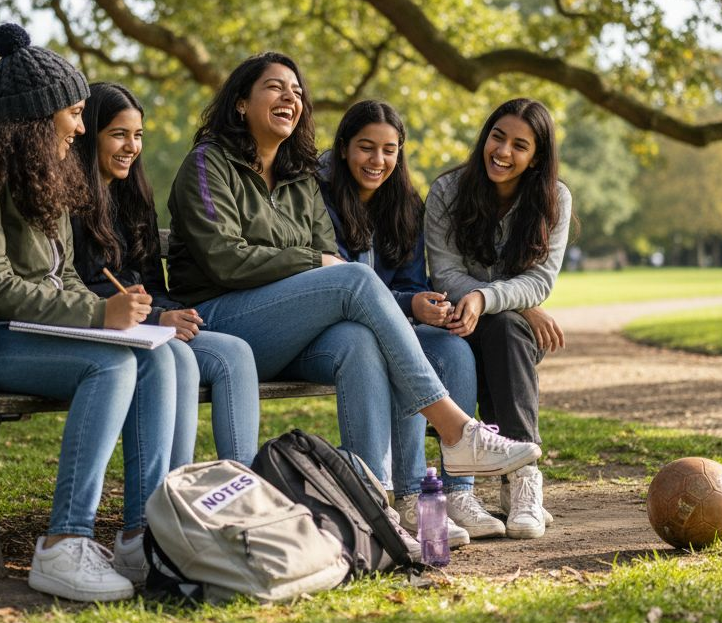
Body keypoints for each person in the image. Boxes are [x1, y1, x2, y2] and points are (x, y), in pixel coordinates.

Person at [165, 52, 542, 506]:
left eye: (297, 91)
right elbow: (227, 261)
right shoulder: (208, 164)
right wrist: (310, 263)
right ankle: (456, 429)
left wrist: (315, 263)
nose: (290, 96)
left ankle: (376, 500)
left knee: (361, 343)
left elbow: (324, 254)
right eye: (275, 87)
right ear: (241, 103)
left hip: (286, 332)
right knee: (356, 279)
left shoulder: (297, 175)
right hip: (216, 318)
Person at [0, 24, 164, 602]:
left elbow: (63, 276)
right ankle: (62, 545)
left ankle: (139, 535)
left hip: (14, 334)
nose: (80, 125)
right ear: (37, 116)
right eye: (73, 112)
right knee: (112, 366)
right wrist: (100, 318)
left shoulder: (43, 175)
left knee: (157, 360)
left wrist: (109, 308)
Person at [69, 81, 261, 582]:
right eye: (118, 135)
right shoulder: (67, 201)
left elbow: (153, 284)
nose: (131, 147)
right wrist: (157, 320)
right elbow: (78, 288)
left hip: (148, 324)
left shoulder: (133, 198)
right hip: (100, 328)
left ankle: (246, 510)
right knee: (174, 356)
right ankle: (156, 525)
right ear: (88, 137)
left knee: (234, 352)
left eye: (137, 135)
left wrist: (172, 314)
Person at [315, 99, 503, 542]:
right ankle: (405, 495)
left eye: (389, 150)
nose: (377, 161)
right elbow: (333, 287)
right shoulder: (318, 199)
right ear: (343, 149)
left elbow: (412, 281)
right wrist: (407, 306)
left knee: (452, 347)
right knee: (388, 341)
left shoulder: (403, 205)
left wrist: (424, 303)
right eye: (366, 147)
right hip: (336, 331)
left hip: (395, 323)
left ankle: (457, 493)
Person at [425, 98, 576, 540]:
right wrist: (506, 299)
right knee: (494, 329)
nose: (503, 152)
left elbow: (541, 280)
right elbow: (444, 272)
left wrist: (487, 297)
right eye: (497, 137)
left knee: (506, 328)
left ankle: (524, 480)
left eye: (519, 145)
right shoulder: (448, 191)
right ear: (485, 137)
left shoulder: (555, 200)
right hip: (455, 320)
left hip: (505, 330)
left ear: (536, 159)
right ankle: (486, 485)